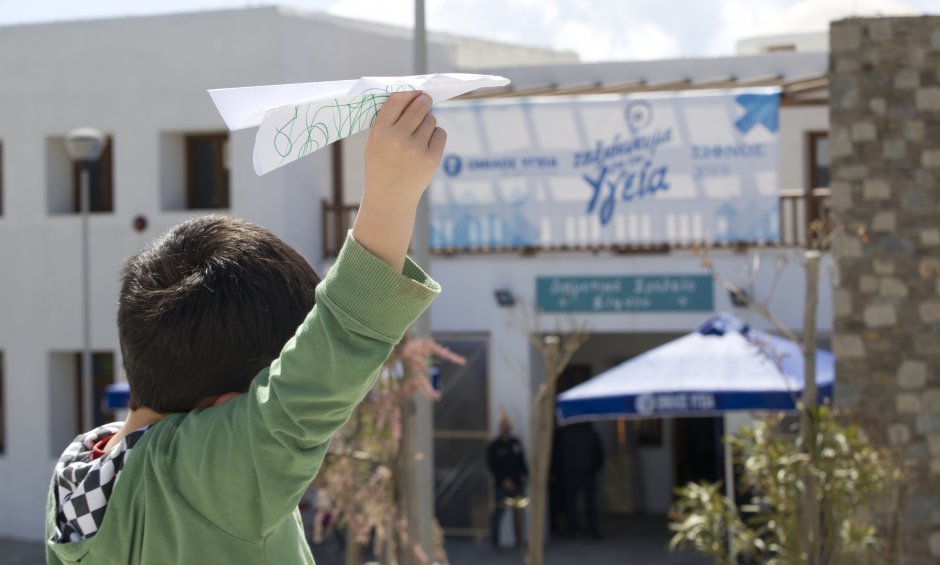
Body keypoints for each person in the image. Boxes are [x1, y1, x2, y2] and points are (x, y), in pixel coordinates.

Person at [45, 91, 446, 565]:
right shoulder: (207, 476)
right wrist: (391, 194)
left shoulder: (79, 474)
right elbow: (320, 369)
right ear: (229, 409)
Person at [487, 414, 529, 548]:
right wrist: (503, 480)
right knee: (499, 513)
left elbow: (521, 461)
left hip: (517, 485)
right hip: (502, 486)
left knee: (518, 514)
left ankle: (520, 541)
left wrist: (526, 475)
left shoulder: (515, 443)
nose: (505, 429)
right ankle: (495, 541)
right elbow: (492, 466)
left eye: (507, 426)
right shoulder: (494, 446)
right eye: (503, 426)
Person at [558, 421, 604, 538]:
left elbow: (560, 454)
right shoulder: (591, 433)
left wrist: (562, 469)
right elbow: (599, 453)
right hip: (588, 472)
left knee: (571, 503)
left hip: (570, 472)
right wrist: (595, 468)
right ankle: (592, 529)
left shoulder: (566, 434)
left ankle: (571, 528)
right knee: (590, 503)